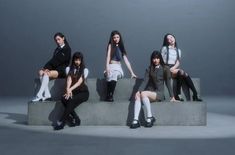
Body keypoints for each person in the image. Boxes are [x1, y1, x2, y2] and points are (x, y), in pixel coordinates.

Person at [130, 51, 168, 129]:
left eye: (157, 58)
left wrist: (172, 96)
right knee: (138, 95)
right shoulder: (149, 68)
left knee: (143, 93)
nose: (156, 60)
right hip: (150, 92)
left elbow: (168, 82)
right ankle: (136, 120)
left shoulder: (165, 68)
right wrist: (138, 91)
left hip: (159, 93)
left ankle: (149, 117)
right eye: (154, 58)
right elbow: (145, 81)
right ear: (152, 59)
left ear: (160, 59)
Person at [161, 33, 202, 101]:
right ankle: (182, 94)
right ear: (166, 41)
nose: (170, 39)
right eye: (168, 39)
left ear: (174, 37)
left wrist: (173, 68)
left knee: (182, 73)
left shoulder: (178, 50)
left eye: (171, 37)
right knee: (181, 72)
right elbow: (161, 60)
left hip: (174, 68)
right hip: (165, 68)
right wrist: (168, 68)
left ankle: (193, 94)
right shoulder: (165, 48)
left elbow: (178, 62)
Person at [54, 52, 89, 130]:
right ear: (73, 60)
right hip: (73, 91)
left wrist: (70, 89)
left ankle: (62, 121)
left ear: (81, 61)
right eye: (76, 60)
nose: (77, 62)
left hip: (83, 92)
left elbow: (79, 82)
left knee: (71, 100)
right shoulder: (68, 69)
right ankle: (76, 118)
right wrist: (67, 90)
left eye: (79, 60)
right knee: (64, 99)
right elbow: (69, 80)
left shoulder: (85, 70)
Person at [32, 32, 71, 102]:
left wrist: (46, 69)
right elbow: (53, 61)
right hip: (55, 70)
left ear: (63, 38)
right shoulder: (57, 49)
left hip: (62, 71)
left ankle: (39, 94)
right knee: (41, 73)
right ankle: (47, 95)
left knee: (46, 73)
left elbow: (57, 61)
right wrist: (44, 69)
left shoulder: (67, 49)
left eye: (59, 39)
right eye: (56, 40)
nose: (57, 41)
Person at [104, 30, 137, 102]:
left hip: (117, 68)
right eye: (114, 37)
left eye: (117, 37)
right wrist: (107, 67)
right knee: (109, 75)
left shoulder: (121, 47)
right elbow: (108, 57)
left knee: (114, 75)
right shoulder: (110, 45)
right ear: (112, 38)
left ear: (120, 38)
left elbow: (126, 61)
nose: (116, 39)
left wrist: (132, 72)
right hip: (110, 66)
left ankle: (110, 95)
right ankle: (107, 95)